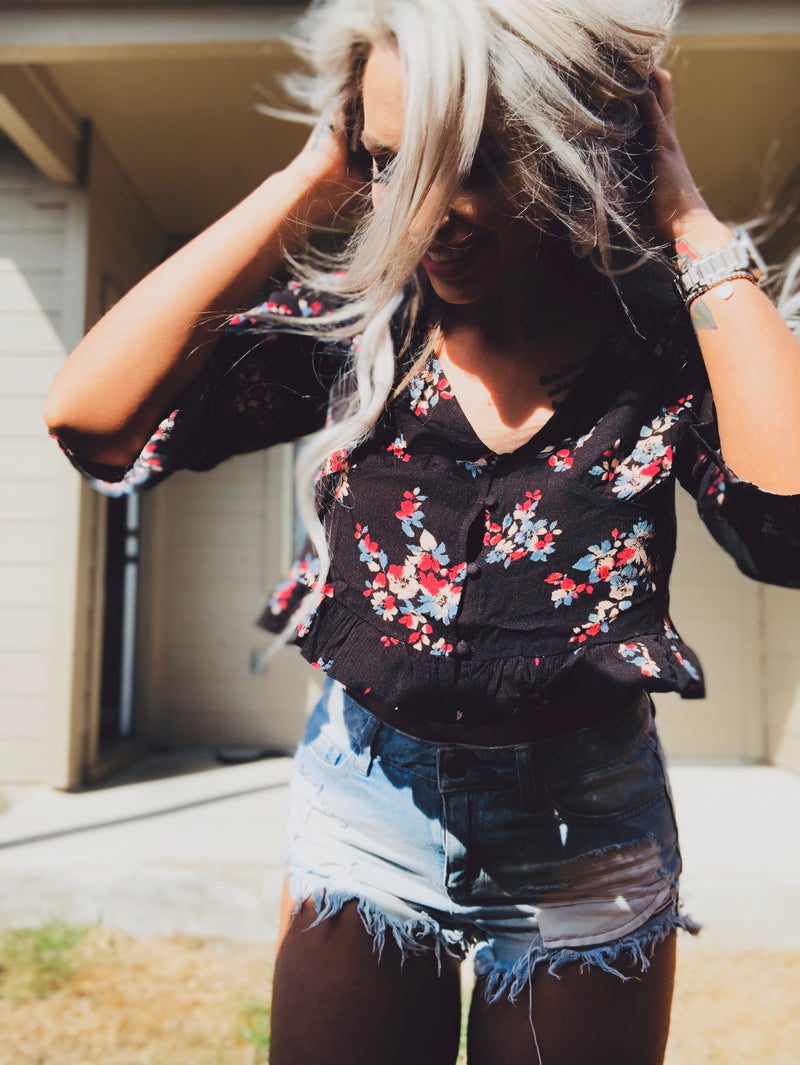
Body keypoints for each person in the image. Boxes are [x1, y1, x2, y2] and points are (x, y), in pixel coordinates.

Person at [44, 0, 800, 1062]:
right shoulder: (365, 324)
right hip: (363, 810)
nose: (427, 211)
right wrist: (313, 170)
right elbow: (91, 417)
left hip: (581, 841)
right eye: (397, 160)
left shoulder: (662, 339)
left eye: (474, 162)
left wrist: (677, 207)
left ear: (578, 142)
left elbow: (789, 527)